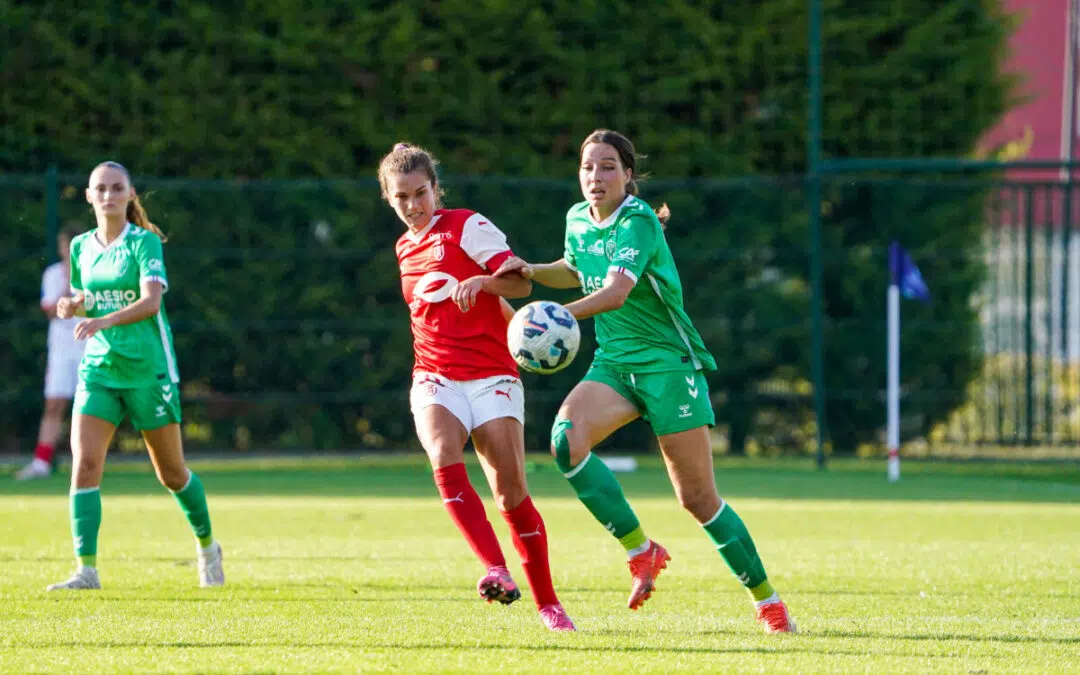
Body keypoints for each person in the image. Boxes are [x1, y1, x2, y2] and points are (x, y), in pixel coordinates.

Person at [493, 129, 796, 633]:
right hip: (614, 364)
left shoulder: (637, 222)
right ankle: (641, 550)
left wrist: (550, 321)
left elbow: (614, 291)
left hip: (667, 365)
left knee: (698, 500)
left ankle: (768, 600)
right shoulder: (575, 218)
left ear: (628, 175)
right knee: (566, 442)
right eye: (589, 167)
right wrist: (533, 270)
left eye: (609, 166)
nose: (596, 177)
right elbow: (577, 268)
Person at [379, 143, 575, 631]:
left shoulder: (467, 225)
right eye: (401, 197)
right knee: (444, 454)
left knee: (510, 493)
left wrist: (486, 285)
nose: (412, 206)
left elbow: (521, 284)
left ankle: (549, 604)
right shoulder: (403, 248)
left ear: (434, 189)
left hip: (492, 375)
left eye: (420, 193)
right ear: (389, 198)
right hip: (434, 376)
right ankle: (494, 568)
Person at [47, 161, 224, 591]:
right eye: (100, 189)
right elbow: (89, 296)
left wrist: (101, 319)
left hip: (149, 372)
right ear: (89, 197)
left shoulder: (144, 243)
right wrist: (73, 306)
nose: (108, 195)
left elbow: (149, 302)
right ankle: (86, 570)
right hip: (100, 370)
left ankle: (207, 546)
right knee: (85, 465)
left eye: (116, 188)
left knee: (172, 474)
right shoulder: (82, 247)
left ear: (129, 195)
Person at [16, 225, 87, 480]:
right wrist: (68, 283)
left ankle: (87, 462)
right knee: (54, 405)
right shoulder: (53, 274)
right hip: (60, 350)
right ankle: (41, 463)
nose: (66, 251)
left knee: (90, 406)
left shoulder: (93, 273)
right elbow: (50, 310)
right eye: (63, 245)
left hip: (89, 347)